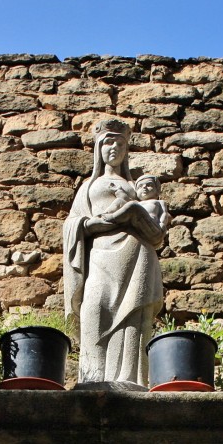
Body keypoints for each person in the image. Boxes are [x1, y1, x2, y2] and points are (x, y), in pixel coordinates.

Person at [63, 119, 166, 386]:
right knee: (95, 308)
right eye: (109, 143)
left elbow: (155, 221)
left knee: (133, 315)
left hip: (137, 255)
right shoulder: (89, 186)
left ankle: (129, 378)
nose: (114, 148)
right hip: (100, 254)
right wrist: (89, 224)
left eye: (120, 144)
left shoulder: (136, 188)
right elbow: (73, 222)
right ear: (98, 148)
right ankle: (93, 379)